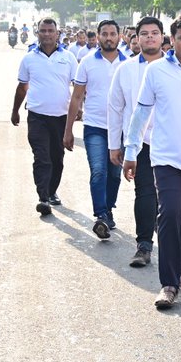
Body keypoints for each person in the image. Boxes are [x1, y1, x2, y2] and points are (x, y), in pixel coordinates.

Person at [124, 14, 181, 310]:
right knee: (170, 213)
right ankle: (169, 283)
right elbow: (141, 112)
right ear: (171, 40)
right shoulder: (156, 70)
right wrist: (130, 151)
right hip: (166, 157)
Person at [109, 17, 166, 268]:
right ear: (136, 38)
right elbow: (115, 108)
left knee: (167, 197)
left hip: (170, 142)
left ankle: (173, 247)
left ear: (163, 37)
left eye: (155, 33)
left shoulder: (177, 68)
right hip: (139, 143)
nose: (150, 37)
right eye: (144, 34)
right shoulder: (126, 69)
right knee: (144, 191)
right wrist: (115, 144)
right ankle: (144, 245)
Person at [65, 20, 127, 239]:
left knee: (115, 174)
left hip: (119, 130)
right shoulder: (87, 62)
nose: (108, 37)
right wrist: (68, 129)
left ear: (120, 36)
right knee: (99, 170)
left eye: (112, 34)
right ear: (98, 36)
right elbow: (76, 97)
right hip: (94, 127)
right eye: (104, 34)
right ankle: (100, 214)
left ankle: (109, 209)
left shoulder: (128, 63)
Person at [11, 18, 77, 216]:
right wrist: (15, 110)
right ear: (37, 33)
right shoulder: (29, 59)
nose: (47, 34)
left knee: (57, 157)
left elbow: (79, 88)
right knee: (42, 157)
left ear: (57, 34)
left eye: (50, 31)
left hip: (60, 117)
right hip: (37, 116)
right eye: (43, 31)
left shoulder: (69, 58)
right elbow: (22, 87)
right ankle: (43, 197)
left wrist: (80, 109)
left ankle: (51, 191)